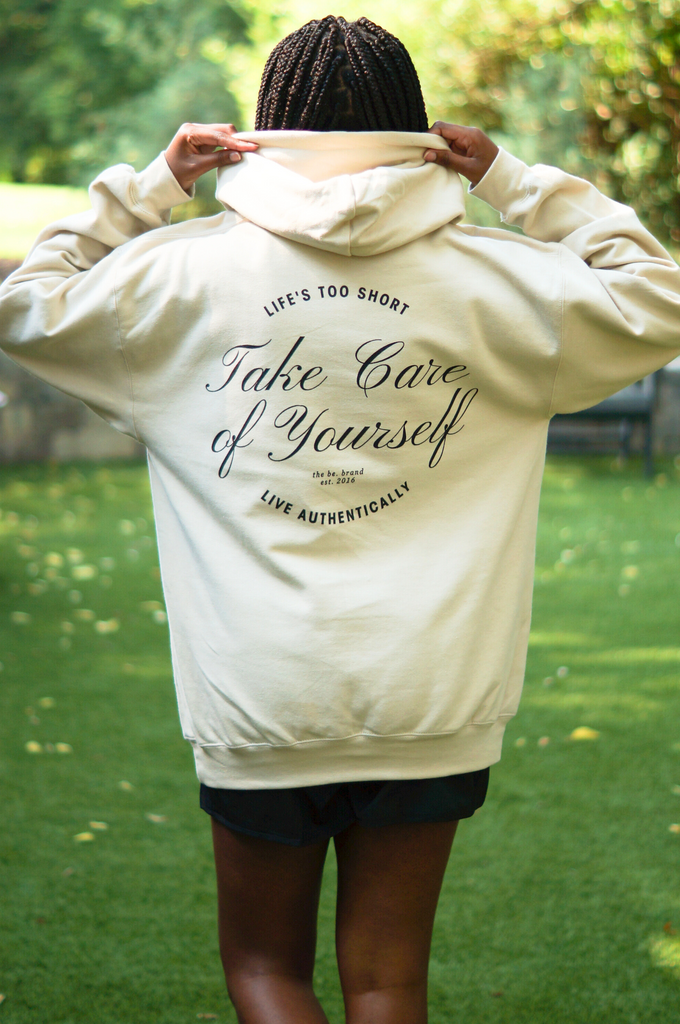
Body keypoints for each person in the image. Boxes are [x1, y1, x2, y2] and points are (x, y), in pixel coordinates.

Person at [1, 14, 679, 1024]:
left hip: (259, 692)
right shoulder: (503, 281)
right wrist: (515, 182)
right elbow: (658, 296)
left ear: (260, 135)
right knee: (388, 981)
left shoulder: (171, 282)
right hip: (434, 694)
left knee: (265, 971)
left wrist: (150, 187)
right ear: (420, 136)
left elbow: (24, 303)